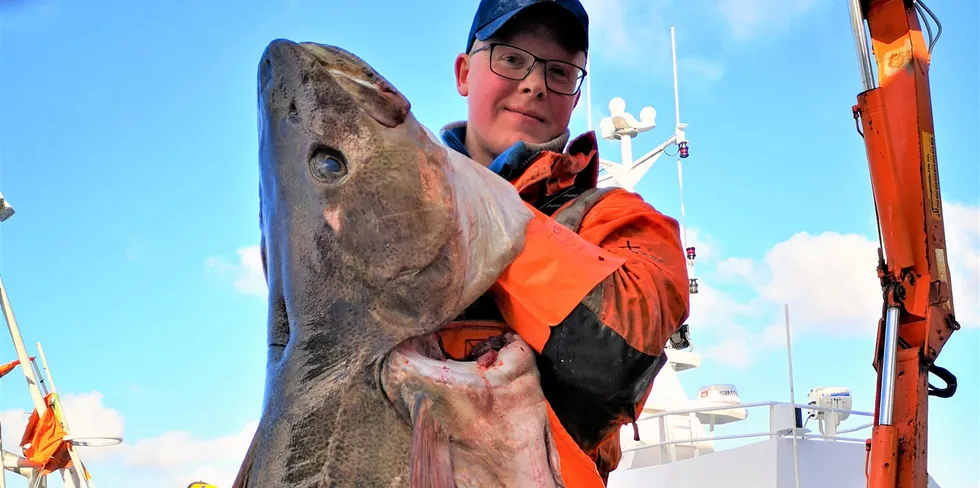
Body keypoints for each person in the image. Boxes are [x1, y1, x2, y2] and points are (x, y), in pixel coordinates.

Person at [435, 0, 692, 486]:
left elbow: (619, 355)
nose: (534, 84)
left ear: (574, 98)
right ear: (464, 73)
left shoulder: (625, 221)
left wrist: (466, 206)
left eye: (559, 71)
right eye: (511, 59)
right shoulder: (395, 208)